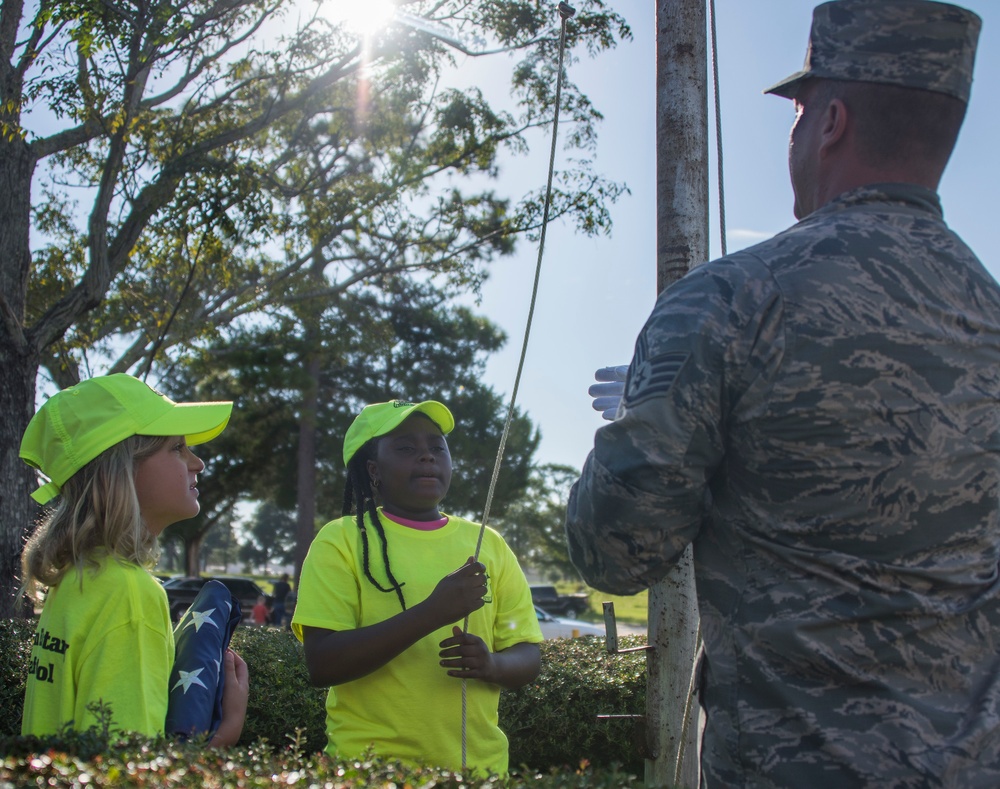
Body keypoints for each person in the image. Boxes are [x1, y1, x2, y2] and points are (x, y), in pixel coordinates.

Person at [565, 1, 1000, 786]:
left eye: (796, 112)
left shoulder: (731, 300)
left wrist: (646, 416)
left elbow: (614, 550)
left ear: (830, 121)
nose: (792, 134)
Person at [292, 399, 542, 775]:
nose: (427, 457)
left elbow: (528, 654)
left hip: (479, 773)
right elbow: (323, 663)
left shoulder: (488, 543)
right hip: (368, 773)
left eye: (437, 447)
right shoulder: (340, 540)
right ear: (373, 470)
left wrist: (492, 664)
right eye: (407, 448)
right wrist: (432, 613)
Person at [19, 374, 249, 746]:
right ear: (122, 469)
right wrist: (224, 736)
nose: (198, 463)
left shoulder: (77, 578)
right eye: (177, 448)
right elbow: (125, 770)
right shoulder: (130, 594)